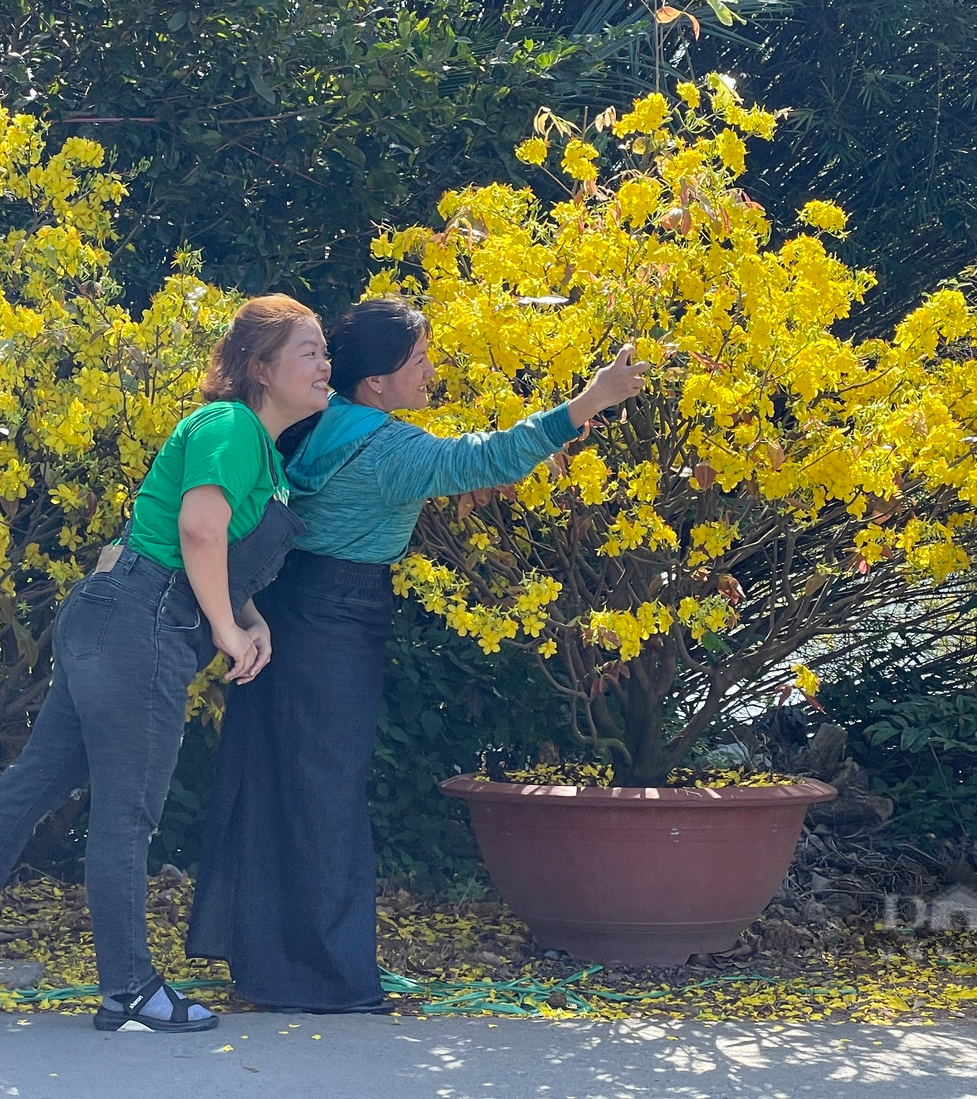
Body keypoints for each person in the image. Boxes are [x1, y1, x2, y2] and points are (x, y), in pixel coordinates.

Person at [186, 296, 647, 1011]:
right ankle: (325, 979)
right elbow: (492, 457)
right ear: (376, 383)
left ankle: (268, 963)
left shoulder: (303, 421)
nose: (431, 370)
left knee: (272, 779)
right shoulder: (389, 452)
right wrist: (594, 398)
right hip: (338, 619)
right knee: (328, 793)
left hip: (276, 610)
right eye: (419, 361)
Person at [0, 295, 332, 1033]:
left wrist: (248, 619)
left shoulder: (264, 455)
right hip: (141, 620)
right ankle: (129, 990)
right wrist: (227, 633)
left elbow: (221, 558)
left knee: (38, 779)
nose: (326, 364)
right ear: (262, 370)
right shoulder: (231, 425)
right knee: (125, 809)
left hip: (123, 613)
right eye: (309, 351)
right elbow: (198, 532)